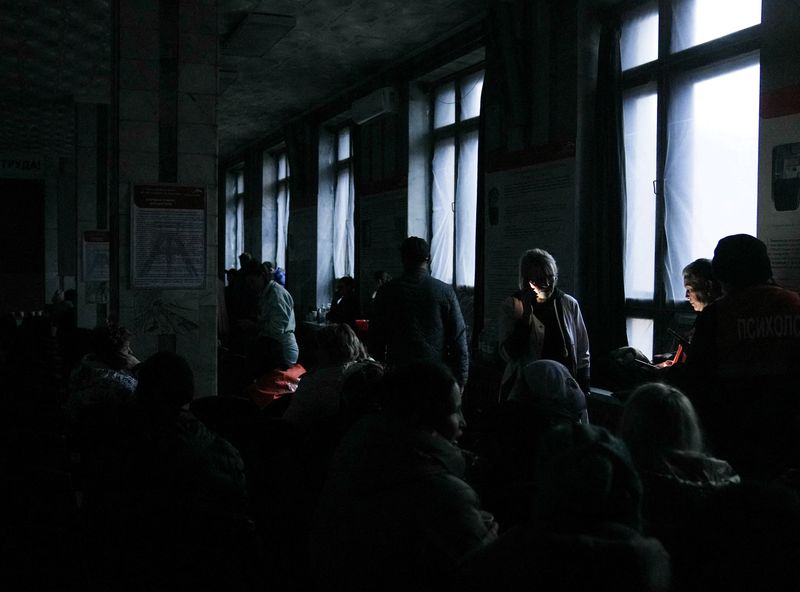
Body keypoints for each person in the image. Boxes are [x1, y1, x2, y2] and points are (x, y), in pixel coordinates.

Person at [309, 361, 496, 591]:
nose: (463, 422)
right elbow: (483, 570)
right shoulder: (444, 493)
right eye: (455, 410)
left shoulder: (353, 452)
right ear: (424, 416)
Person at [680, 233, 800, 478]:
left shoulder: (716, 316)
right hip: (790, 432)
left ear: (723, 273)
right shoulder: (794, 304)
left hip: (735, 433)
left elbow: (696, 379)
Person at [370, 237, 469, 387]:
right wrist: (460, 382)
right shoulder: (444, 292)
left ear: (402, 258)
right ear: (428, 258)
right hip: (436, 376)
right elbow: (459, 340)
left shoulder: (386, 291)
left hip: (399, 375)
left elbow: (375, 339)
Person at [498, 248, 590, 401]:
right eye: (540, 279)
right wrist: (526, 314)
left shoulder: (568, 304)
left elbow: (582, 350)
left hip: (563, 391)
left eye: (550, 277)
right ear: (527, 281)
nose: (547, 283)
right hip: (529, 391)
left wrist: (583, 390)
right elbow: (509, 353)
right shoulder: (512, 306)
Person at [243, 260, 299, 375]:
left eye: (253, 282)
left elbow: (276, 328)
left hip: (282, 349)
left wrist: (254, 326)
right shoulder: (266, 293)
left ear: (262, 276)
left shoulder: (277, 294)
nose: (251, 286)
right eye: (248, 283)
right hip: (273, 347)